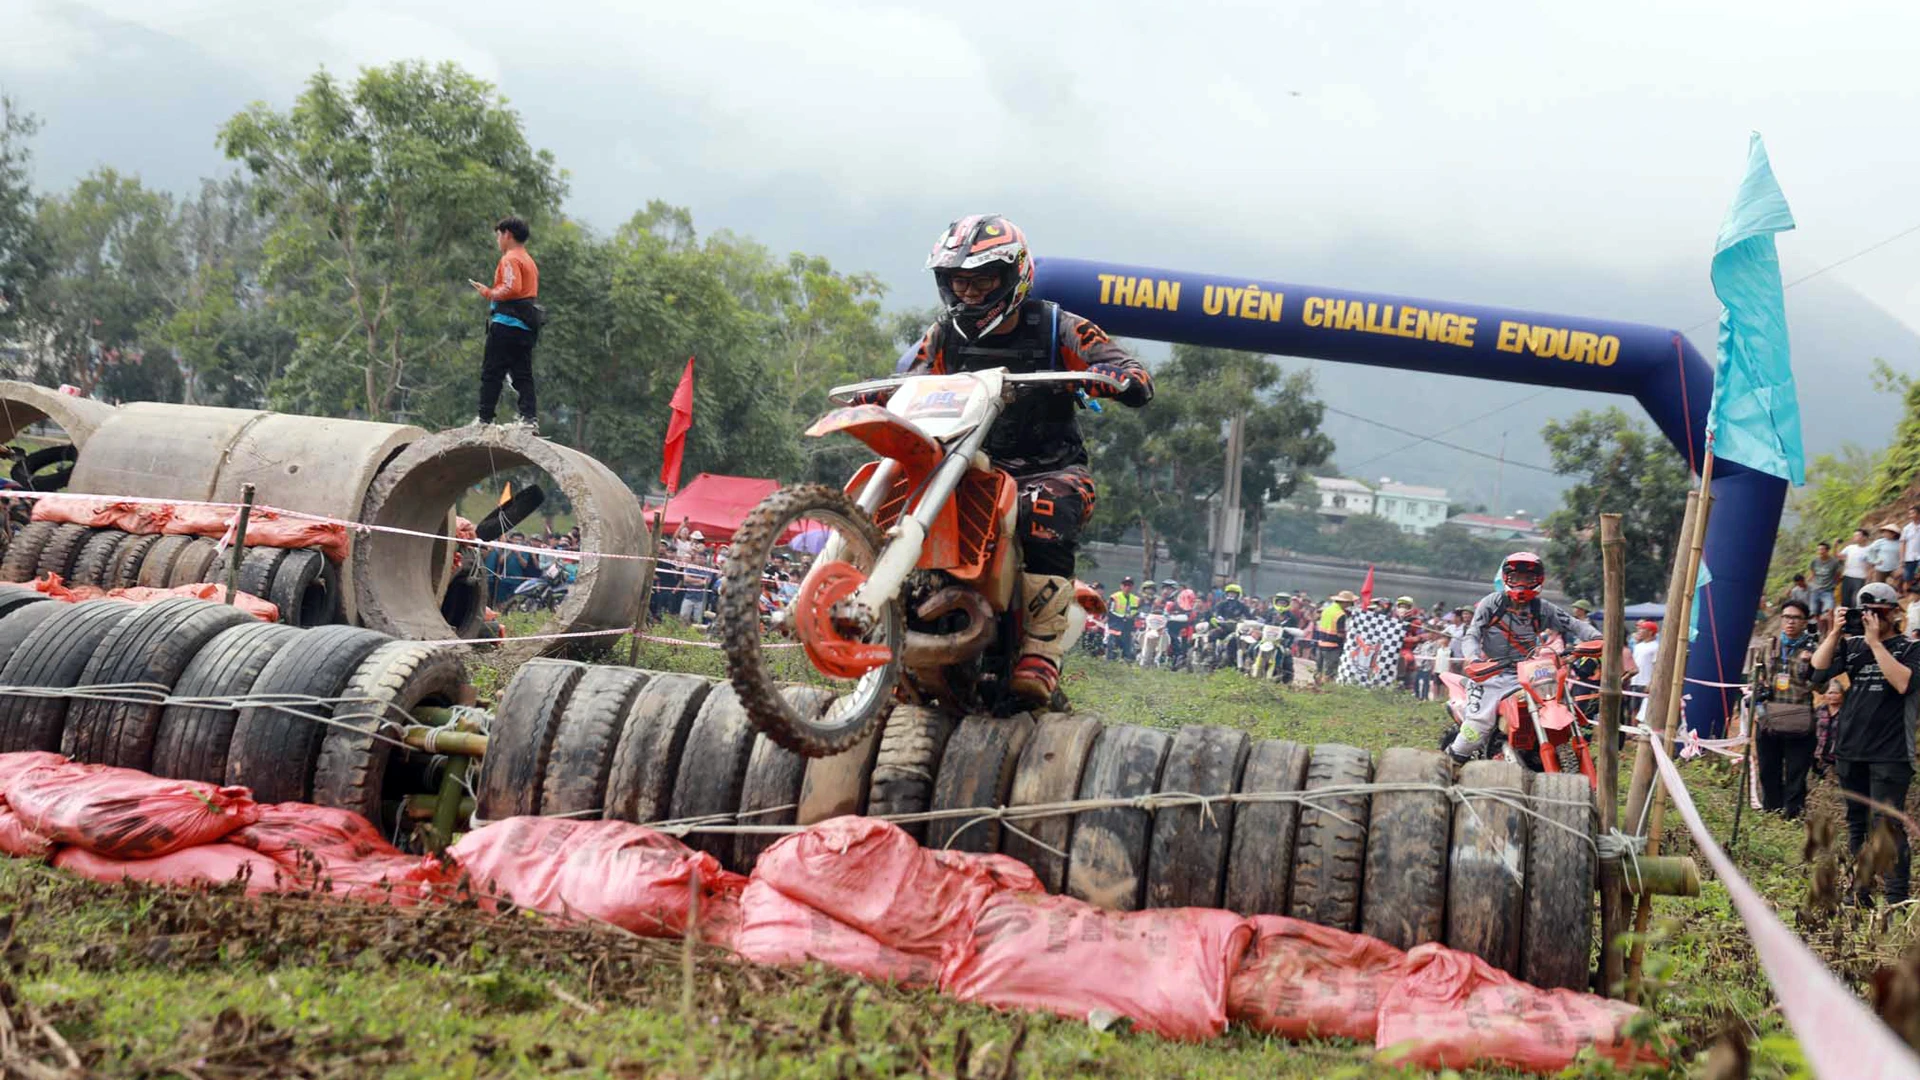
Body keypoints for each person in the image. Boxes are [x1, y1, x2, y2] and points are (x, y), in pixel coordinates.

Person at [887, 216, 1152, 705]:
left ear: (1013, 276)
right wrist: (881, 396)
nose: (968, 293)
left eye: (982, 279)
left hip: (1049, 469)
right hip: (968, 469)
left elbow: (1129, 370)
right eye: (959, 281)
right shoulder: (943, 334)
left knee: (1045, 508)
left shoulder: (1058, 325)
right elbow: (907, 378)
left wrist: (1112, 379)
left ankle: (1041, 647)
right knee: (899, 499)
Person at [1812, 582, 1920, 905]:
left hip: (1891, 752)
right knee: (1856, 823)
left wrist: (1875, 643)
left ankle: (1896, 897)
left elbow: (1903, 683)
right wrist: (1834, 634)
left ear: (1893, 613)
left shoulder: (1910, 648)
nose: (1870, 618)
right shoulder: (1853, 647)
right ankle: (1859, 892)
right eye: (1865, 613)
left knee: (1886, 826)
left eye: (1877, 613)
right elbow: (1816, 674)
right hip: (1851, 749)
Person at [1446, 552, 1601, 763]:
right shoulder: (1492, 603)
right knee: (1478, 726)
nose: (1521, 583)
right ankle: (1449, 764)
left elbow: (1575, 625)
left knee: (1559, 705)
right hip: (1491, 673)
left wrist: (1597, 639)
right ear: (1507, 578)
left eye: (1527, 578)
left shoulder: (1542, 607)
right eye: (1516, 577)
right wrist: (1473, 659)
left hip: (1529, 675)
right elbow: (1472, 634)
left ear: (1538, 580)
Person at [470, 216, 542, 432]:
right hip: (525, 327)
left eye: (498, 235)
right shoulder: (528, 260)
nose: (498, 240)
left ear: (507, 234)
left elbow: (511, 287)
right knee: (522, 374)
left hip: (506, 324)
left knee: (492, 372)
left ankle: (484, 420)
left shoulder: (510, 258)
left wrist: (488, 292)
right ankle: (529, 419)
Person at [1753, 599, 1820, 820]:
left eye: (1796, 618)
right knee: (1768, 771)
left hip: (1800, 721)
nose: (1790, 622)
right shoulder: (1768, 646)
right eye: (1786, 617)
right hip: (1769, 719)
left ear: (1805, 622)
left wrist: (1813, 665)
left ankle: (1792, 819)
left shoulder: (1815, 650)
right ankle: (1771, 817)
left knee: (1796, 774)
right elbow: (1757, 681)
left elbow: (1824, 686)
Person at [1313, 590, 1356, 681]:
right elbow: (1340, 634)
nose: (1350, 606)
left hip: (1321, 643)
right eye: (1350, 603)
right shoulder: (1340, 614)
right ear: (1345, 602)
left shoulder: (1327, 610)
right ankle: (1327, 690)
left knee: (1319, 670)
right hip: (1333, 646)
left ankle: (1315, 686)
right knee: (1330, 672)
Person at [1629, 620, 1660, 723]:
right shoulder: (1638, 646)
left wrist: (1651, 682)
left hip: (1646, 682)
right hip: (1635, 681)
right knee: (1633, 707)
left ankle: (1643, 730)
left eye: (1643, 629)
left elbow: (1656, 666)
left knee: (1645, 708)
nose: (1640, 631)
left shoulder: (1656, 647)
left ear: (1651, 632)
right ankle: (1633, 731)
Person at [1813, 683, 1844, 778]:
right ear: (1825, 695)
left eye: (1836, 693)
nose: (1832, 696)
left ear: (1842, 694)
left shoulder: (1847, 711)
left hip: (1838, 756)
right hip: (1819, 755)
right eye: (1830, 693)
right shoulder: (1819, 710)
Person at [1107, 577, 1142, 660]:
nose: (1127, 587)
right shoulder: (1114, 597)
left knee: (1127, 650)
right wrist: (1122, 616)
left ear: (1132, 587)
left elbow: (1137, 611)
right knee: (1112, 649)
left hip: (1128, 627)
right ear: (1121, 586)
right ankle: (1109, 665)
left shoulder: (1136, 599)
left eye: (1129, 585)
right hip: (1116, 626)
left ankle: (1126, 665)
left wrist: (1133, 616)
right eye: (1125, 585)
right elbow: (1110, 611)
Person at [1809, 540, 1841, 629]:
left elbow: (1838, 575)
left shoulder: (1834, 562)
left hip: (1828, 590)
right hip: (1815, 590)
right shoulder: (1814, 561)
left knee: (1829, 612)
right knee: (1814, 613)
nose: (1820, 552)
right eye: (1818, 550)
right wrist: (1811, 585)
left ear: (1827, 551)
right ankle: (1820, 632)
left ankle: (1831, 631)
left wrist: (1834, 585)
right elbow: (1812, 574)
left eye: (1822, 549)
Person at [1839, 529, 1873, 607]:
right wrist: (1835, 546)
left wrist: (1868, 580)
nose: (1855, 537)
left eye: (1857, 535)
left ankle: (1855, 616)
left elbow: (1871, 567)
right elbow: (1839, 556)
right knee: (1845, 600)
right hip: (1847, 576)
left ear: (1865, 537)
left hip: (1860, 578)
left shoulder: (1869, 550)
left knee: (1856, 600)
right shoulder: (1850, 547)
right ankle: (1845, 617)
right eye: (1854, 535)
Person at [1905, 506, 1920, 586]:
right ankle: (1909, 596)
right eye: (1909, 514)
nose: (1910, 515)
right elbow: (1902, 543)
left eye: (1913, 513)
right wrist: (1901, 559)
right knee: (1908, 578)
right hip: (1909, 557)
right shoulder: (1907, 528)